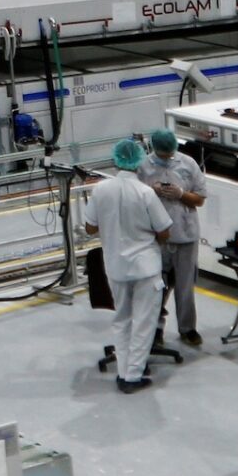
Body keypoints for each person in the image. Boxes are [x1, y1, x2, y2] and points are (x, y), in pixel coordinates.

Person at [85, 137, 171, 393]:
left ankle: (124, 370)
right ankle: (132, 376)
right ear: (139, 162)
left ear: (115, 160)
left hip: (116, 267)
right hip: (145, 268)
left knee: (122, 319)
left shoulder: (101, 190)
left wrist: (111, 224)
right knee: (144, 322)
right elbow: (164, 230)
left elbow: (90, 228)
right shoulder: (145, 193)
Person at [140, 127, 208, 346]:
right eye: (162, 155)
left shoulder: (188, 164)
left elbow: (199, 199)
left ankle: (188, 328)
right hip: (157, 237)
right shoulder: (143, 167)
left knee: (185, 286)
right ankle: (156, 328)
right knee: (157, 286)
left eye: (169, 155)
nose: (166, 159)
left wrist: (181, 194)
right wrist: (152, 191)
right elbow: (136, 199)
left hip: (185, 234)